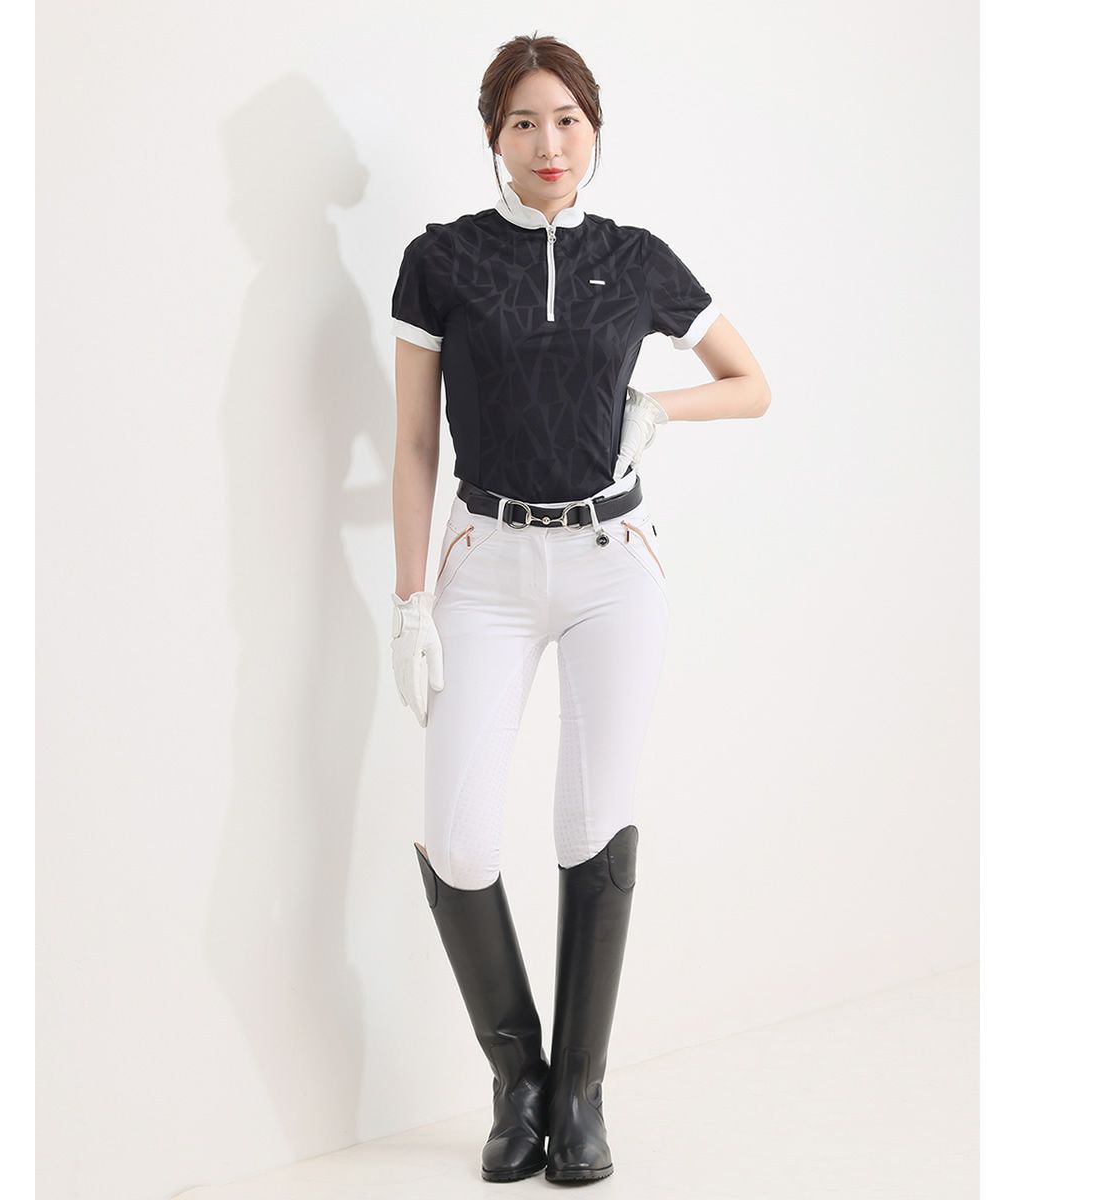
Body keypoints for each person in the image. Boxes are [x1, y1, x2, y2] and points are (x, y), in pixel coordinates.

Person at [389, 34, 771, 1185]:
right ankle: (519, 1079)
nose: (548, 142)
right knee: (458, 836)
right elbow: (413, 444)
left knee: (589, 821)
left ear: (594, 128)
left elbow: (752, 382)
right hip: (486, 565)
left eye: (567, 119)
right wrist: (410, 598)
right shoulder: (441, 260)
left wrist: (659, 409)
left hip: (613, 564)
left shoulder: (635, 259)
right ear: (493, 137)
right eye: (523, 121)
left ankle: (580, 1097)